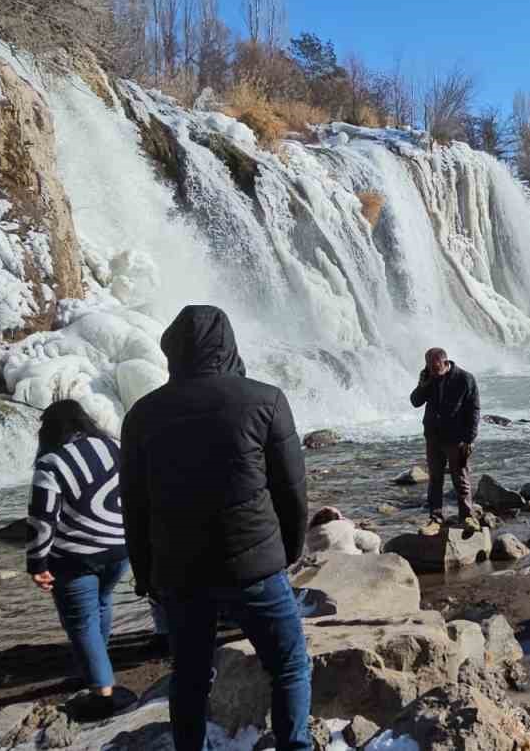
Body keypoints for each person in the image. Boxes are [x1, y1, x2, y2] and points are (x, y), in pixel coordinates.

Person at [120, 305, 310, 751]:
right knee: (288, 666)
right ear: (227, 344)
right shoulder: (266, 400)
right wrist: (286, 551)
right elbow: (291, 489)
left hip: (180, 573)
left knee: (189, 676)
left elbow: (136, 505)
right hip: (256, 566)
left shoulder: (142, 415)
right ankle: (295, 746)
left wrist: (145, 574)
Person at [26, 400, 135, 721]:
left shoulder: (51, 463)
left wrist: (37, 563)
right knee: (101, 603)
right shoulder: (115, 447)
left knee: (81, 621)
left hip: (75, 557)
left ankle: (103, 694)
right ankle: (96, 669)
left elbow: (42, 518)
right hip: (119, 549)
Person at [409, 347, 482, 529]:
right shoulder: (428, 377)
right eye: (429, 368)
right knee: (435, 479)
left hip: (456, 437)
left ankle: (467, 516)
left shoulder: (465, 379)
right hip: (433, 436)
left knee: (461, 477)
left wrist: (469, 439)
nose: (433, 372)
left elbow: (474, 410)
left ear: (445, 362)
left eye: (435, 368)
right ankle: (436, 517)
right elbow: (415, 401)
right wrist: (423, 385)